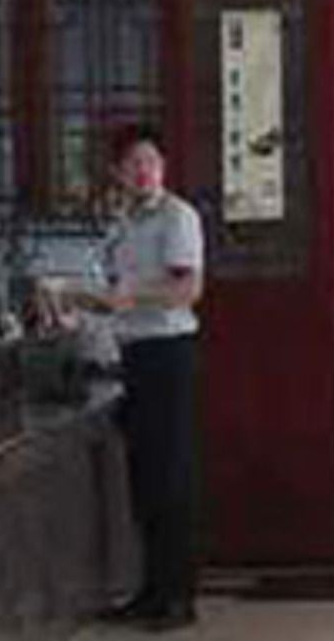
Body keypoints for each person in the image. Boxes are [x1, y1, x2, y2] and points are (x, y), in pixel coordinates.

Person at [77, 123, 205, 633]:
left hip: (168, 355)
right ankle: (151, 591)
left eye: (151, 161)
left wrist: (129, 297)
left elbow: (186, 289)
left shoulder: (178, 216)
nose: (144, 171)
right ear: (118, 172)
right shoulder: (124, 222)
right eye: (134, 163)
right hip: (133, 353)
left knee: (171, 478)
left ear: (163, 167)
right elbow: (114, 292)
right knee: (145, 480)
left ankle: (179, 597)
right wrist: (72, 299)